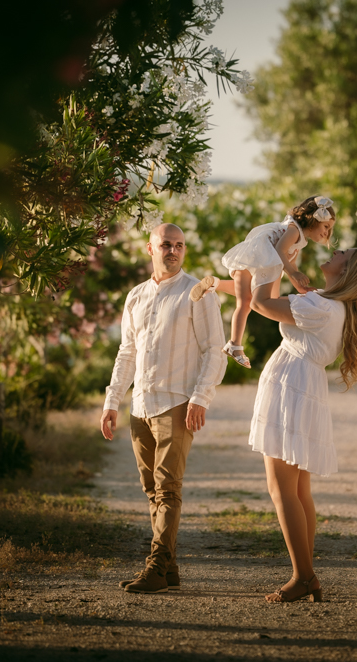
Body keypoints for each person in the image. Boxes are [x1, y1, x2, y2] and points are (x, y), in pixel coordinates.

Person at [247, 247, 357, 603]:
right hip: (301, 387)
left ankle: (304, 576)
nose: (336, 248)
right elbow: (264, 296)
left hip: (292, 387)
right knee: (299, 490)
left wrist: (275, 258)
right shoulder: (326, 303)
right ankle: (304, 574)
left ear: (347, 270)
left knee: (282, 490)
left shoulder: (321, 307)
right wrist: (220, 285)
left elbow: (262, 304)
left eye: (345, 252)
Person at [101, 223, 227, 594]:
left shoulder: (198, 293)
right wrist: (112, 401)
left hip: (177, 403)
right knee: (151, 490)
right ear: (149, 248)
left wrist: (201, 398)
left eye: (180, 245)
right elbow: (127, 353)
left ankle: (155, 567)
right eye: (166, 244)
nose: (173, 250)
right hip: (140, 406)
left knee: (168, 488)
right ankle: (169, 570)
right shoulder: (135, 297)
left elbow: (214, 350)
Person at [190, 195, 336, 369]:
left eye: (329, 229)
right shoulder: (294, 230)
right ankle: (234, 345)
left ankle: (215, 284)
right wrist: (293, 274)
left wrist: (300, 285)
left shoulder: (298, 235)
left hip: (253, 255)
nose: (327, 232)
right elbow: (280, 250)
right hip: (263, 258)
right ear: (313, 219)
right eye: (326, 226)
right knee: (254, 303)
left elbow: (291, 260)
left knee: (246, 299)